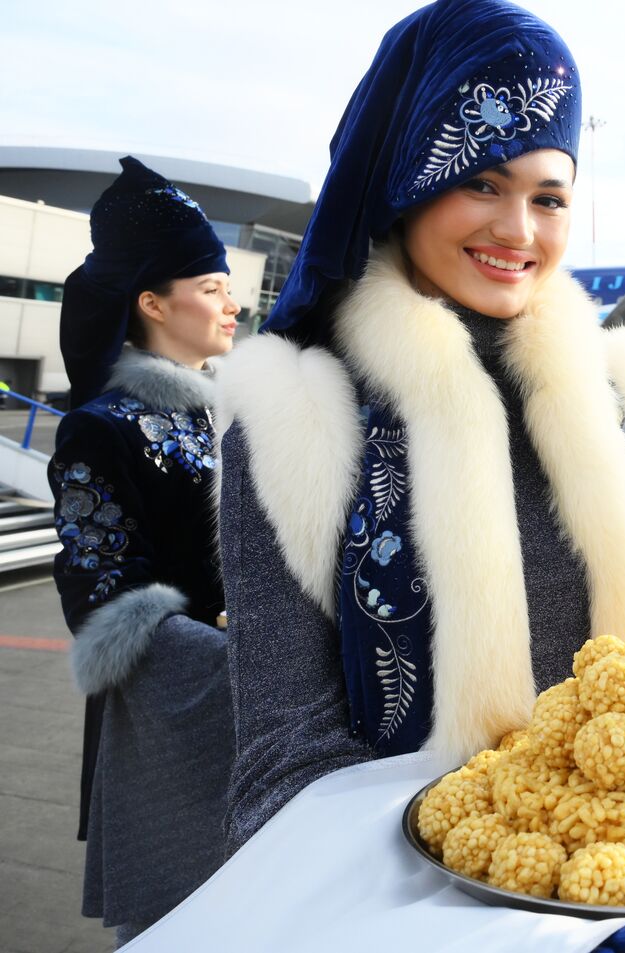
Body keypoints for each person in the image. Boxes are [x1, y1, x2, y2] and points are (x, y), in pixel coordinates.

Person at [214, 0, 625, 852]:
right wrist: (507, 879)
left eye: (549, 198)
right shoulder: (297, 418)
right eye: (482, 182)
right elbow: (279, 762)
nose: (519, 231)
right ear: (405, 181)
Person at [48, 156, 237, 944]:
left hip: (257, 697)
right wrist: (243, 657)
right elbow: (102, 592)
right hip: (171, 708)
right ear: (153, 302)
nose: (232, 302)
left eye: (229, 285)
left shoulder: (233, 413)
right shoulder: (102, 426)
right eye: (210, 287)